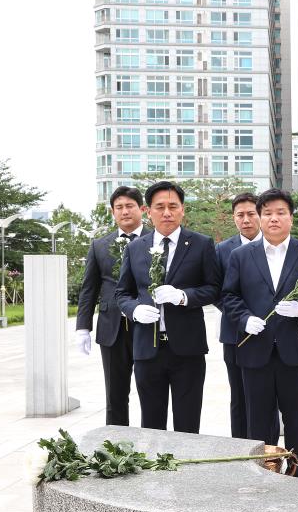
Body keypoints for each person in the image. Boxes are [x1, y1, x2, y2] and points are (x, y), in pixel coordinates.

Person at [221, 189, 298, 478]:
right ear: (260, 218)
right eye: (268, 213)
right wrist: (244, 318)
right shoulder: (241, 255)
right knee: (258, 418)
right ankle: (263, 472)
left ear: (291, 218)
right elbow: (229, 296)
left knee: (297, 417)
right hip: (254, 349)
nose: (274, 218)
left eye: (281, 213)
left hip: (295, 350)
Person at [115, 181, 220, 433]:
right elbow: (122, 292)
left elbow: (214, 288)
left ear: (183, 210)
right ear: (148, 211)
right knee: (151, 423)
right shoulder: (135, 247)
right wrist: (134, 310)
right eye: (159, 207)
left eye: (173, 206)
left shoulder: (201, 244)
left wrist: (183, 296)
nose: (167, 213)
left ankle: (186, 471)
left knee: (187, 421)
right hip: (147, 350)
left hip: (188, 350)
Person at [75, 186, 149, 426]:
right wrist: (82, 327)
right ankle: (116, 446)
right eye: (119, 207)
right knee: (115, 394)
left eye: (130, 206)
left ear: (142, 209)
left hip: (147, 326)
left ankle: (153, 441)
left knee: (151, 392)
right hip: (112, 329)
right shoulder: (99, 245)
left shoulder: (156, 240)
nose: (125, 211)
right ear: (112, 212)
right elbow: (89, 289)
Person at [214, 192, 279, 440]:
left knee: (268, 397)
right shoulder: (222, 250)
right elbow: (219, 292)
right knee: (239, 396)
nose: (246, 219)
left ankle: (269, 448)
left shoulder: (274, 244)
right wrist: (243, 317)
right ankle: (240, 448)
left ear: (260, 215)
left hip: (271, 335)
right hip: (235, 335)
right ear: (234, 218)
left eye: (251, 213)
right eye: (240, 215)